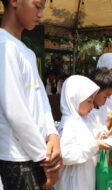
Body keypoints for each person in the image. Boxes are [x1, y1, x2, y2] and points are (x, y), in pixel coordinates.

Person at [0, 0, 62, 189]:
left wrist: (53, 135)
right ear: (15, 2)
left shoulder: (27, 53)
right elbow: (14, 110)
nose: (41, 13)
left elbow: (41, 98)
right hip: (16, 156)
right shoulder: (3, 45)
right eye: (37, 5)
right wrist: (45, 158)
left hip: (36, 153)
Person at [54, 75, 112, 190]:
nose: (92, 106)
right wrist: (96, 145)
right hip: (74, 183)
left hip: (84, 179)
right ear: (74, 99)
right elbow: (65, 156)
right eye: (89, 101)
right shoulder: (69, 123)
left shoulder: (82, 119)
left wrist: (100, 137)